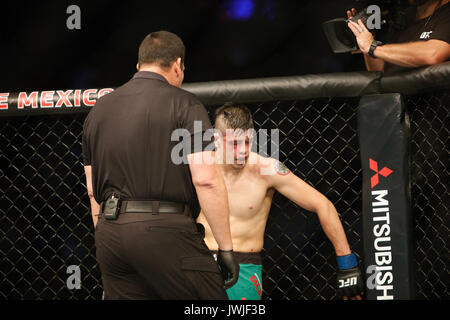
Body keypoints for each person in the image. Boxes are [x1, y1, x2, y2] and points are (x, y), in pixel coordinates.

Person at [82, 31, 238, 299]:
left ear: (139, 65)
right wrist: (225, 249)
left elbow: (92, 190)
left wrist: (110, 236)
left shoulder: (98, 110)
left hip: (110, 234)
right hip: (165, 231)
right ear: (177, 65)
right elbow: (206, 180)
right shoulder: (186, 104)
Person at [196, 103, 364, 300]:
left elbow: (323, 204)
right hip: (201, 262)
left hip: (244, 266)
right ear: (217, 140)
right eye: (234, 143)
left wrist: (347, 264)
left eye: (248, 142)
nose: (242, 151)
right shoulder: (198, 168)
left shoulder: (266, 170)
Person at [346, 0, 450, 74]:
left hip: (430, 101)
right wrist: (366, 40)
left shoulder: (446, 12)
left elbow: (433, 54)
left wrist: (373, 47)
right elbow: (380, 72)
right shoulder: (404, 16)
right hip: (395, 100)